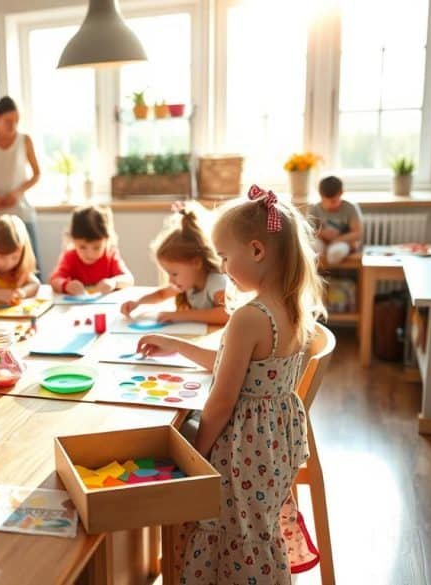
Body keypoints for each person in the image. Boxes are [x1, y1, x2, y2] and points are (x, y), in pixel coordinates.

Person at [137, 185, 323, 582]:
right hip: (274, 446)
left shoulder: (249, 318)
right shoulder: (291, 307)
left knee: (170, 451)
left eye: (224, 256)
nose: (221, 267)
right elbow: (233, 368)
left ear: (257, 251)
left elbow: (221, 401)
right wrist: (174, 344)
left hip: (241, 449)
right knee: (251, 535)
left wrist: (196, 457)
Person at [120, 203, 228, 325]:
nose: (170, 280)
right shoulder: (189, 282)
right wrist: (137, 303)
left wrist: (179, 315)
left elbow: (226, 314)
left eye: (174, 274)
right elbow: (162, 294)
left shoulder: (216, 282)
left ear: (196, 263)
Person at [0, 96, 41, 270]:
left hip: (20, 208)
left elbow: (36, 174)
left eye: (16, 120)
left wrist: (17, 193)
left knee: (31, 264)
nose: (13, 125)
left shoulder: (25, 140)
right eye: (8, 121)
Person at [49, 205, 134, 295]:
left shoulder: (110, 255)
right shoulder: (70, 256)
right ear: (73, 240)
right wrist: (65, 285)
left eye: (96, 247)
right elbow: (54, 280)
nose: (90, 254)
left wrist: (114, 282)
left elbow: (129, 279)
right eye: (82, 247)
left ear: (107, 240)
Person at [308, 175, 362, 265]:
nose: (329, 205)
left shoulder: (350, 208)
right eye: (325, 201)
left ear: (341, 193)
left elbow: (357, 233)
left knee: (335, 254)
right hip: (321, 241)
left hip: (342, 242)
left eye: (333, 201)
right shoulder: (315, 208)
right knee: (311, 249)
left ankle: (331, 276)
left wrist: (339, 238)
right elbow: (308, 231)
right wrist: (322, 233)